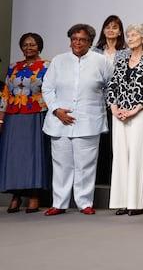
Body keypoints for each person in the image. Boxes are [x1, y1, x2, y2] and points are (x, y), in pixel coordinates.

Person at [41, 24, 113, 216]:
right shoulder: (58, 61)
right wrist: (56, 110)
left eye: (82, 39)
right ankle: (59, 203)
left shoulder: (101, 61)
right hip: (59, 121)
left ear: (90, 42)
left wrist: (98, 107)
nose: (77, 43)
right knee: (61, 164)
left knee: (86, 165)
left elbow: (109, 87)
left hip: (88, 121)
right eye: (74, 39)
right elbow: (47, 88)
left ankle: (84, 202)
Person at [106, 24, 143, 216]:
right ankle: (121, 201)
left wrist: (133, 110)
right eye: (128, 35)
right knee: (120, 157)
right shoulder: (121, 60)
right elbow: (112, 87)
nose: (129, 38)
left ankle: (135, 203)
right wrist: (115, 108)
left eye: (134, 35)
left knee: (137, 157)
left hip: (140, 114)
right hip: (119, 115)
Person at [0, 33, 51, 213]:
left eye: (32, 45)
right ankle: (16, 195)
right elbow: (6, 93)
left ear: (39, 47)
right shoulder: (13, 67)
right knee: (14, 157)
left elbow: (50, 90)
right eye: (25, 45)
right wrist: (1, 117)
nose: (28, 48)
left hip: (35, 114)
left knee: (32, 156)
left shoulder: (47, 66)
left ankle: (34, 195)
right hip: (14, 116)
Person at [93, 15, 127, 185]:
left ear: (120, 31)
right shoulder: (95, 52)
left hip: (118, 103)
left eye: (115, 27)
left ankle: (115, 179)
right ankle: (100, 178)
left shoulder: (126, 52)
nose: (111, 30)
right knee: (100, 142)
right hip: (97, 102)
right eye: (108, 27)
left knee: (116, 142)